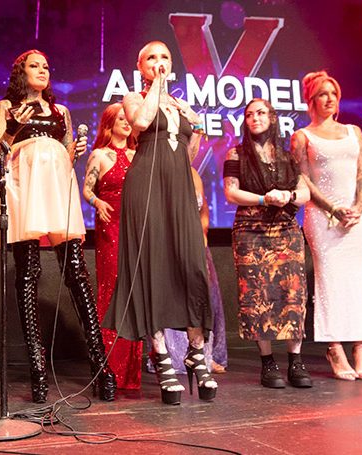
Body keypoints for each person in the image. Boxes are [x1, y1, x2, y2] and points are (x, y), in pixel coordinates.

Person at [0, 49, 116, 403]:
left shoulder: (61, 111)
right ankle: (38, 369)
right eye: (35, 65)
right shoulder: (6, 107)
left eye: (46, 66)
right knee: (28, 272)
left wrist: (73, 151)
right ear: (21, 71)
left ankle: (100, 365)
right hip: (24, 186)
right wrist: (12, 129)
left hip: (58, 186)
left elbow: (65, 154)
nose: (43, 70)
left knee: (76, 271)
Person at [102, 41, 217, 404]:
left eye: (164, 57)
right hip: (145, 189)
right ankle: (162, 357)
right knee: (151, 270)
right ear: (141, 67)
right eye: (151, 58)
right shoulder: (133, 98)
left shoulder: (180, 105)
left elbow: (188, 154)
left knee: (193, 268)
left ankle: (196, 351)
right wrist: (157, 87)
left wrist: (196, 126)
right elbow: (140, 123)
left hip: (179, 189)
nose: (159, 62)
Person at [291, 71, 362, 381]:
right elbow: (303, 179)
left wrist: (358, 206)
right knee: (329, 281)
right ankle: (335, 348)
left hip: (355, 218)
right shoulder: (302, 136)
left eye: (333, 93)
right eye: (323, 94)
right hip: (322, 218)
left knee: (358, 280)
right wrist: (332, 208)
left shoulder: (353, 132)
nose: (329, 99)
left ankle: (360, 349)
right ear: (311, 100)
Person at [224, 98, 312, 388]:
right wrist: (264, 198)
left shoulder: (288, 156)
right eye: (249, 114)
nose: (255, 118)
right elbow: (231, 193)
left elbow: (305, 193)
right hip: (251, 231)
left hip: (286, 230)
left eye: (260, 113)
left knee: (292, 293)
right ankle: (268, 362)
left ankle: (296, 361)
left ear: (272, 118)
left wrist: (289, 196)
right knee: (256, 295)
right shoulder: (236, 154)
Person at [82, 102, 141, 390]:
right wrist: (97, 202)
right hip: (110, 224)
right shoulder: (100, 155)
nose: (127, 123)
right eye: (121, 119)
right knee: (112, 289)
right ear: (109, 123)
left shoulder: (137, 154)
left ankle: (130, 372)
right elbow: (86, 189)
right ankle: (108, 369)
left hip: (136, 227)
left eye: (129, 119)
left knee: (134, 292)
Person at [156, 167, 228, 375]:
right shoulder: (157, 172)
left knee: (202, 297)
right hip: (168, 245)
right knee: (174, 297)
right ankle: (171, 356)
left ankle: (204, 355)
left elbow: (203, 209)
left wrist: (201, 235)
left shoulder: (193, 173)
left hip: (194, 243)